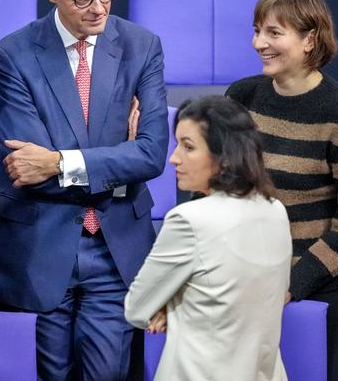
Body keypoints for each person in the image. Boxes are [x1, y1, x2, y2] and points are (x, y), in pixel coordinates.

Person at [0, 0, 168, 378]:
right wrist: (116, 158)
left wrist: (58, 161)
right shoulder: (12, 54)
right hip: (40, 249)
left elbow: (151, 154)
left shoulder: (142, 46)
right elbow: (26, 169)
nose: (99, 7)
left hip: (116, 248)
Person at [224, 0, 338, 378]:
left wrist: (292, 283)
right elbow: (213, 186)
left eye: (274, 33)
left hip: (307, 290)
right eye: (257, 31)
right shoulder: (241, 97)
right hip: (237, 282)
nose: (259, 43)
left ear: (310, 40)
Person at [124, 96, 292, 381]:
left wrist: (170, 305)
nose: (174, 158)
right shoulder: (276, 210)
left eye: (188, 147)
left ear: (224, 155)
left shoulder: (189, 219)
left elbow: (137, 308)